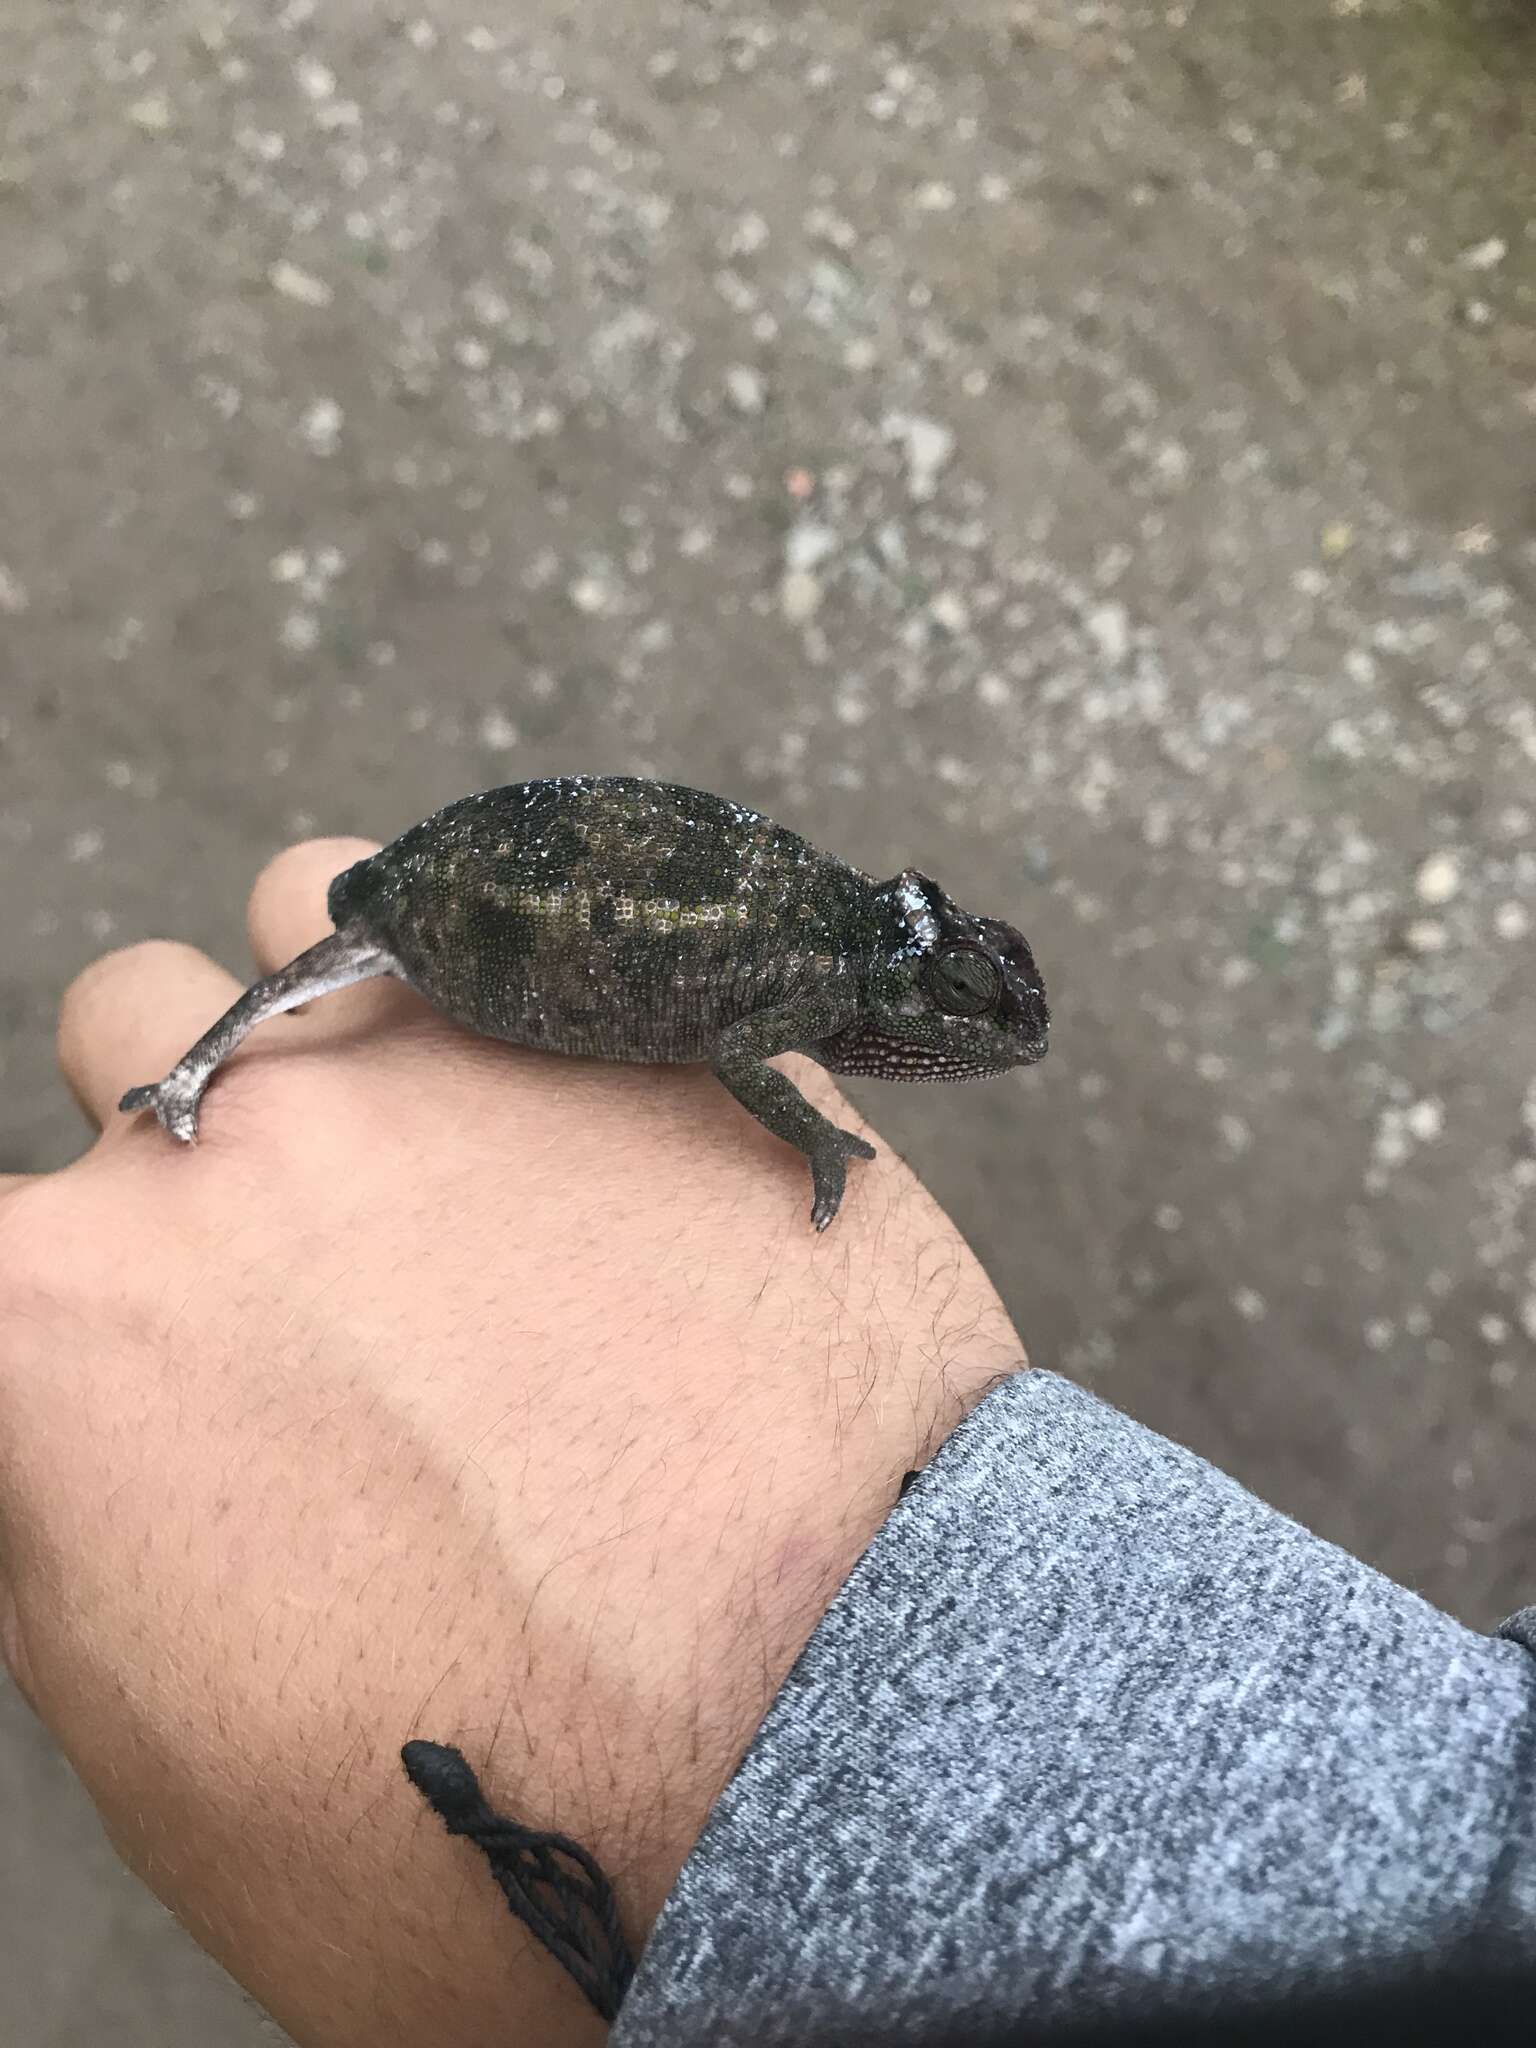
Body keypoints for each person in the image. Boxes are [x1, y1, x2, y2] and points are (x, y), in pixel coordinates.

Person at [1, 837, 1532, 2048]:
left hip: (459, 890)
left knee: (335, 935)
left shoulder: (826, 933)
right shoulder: (804, 983)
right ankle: (207, 1066)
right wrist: (811, 1139)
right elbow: (741, 1060)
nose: (972, 1029)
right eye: (955, 1006)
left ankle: (230, 1046)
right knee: (348, 941)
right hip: (454, 921)